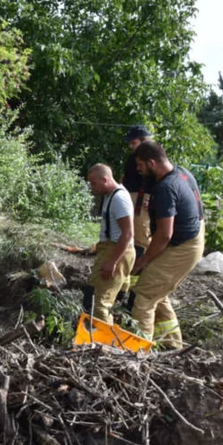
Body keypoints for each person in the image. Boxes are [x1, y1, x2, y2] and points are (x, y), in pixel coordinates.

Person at [130, 141, 205, 347]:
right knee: (157, 291)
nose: (138, 169)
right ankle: (172, 344)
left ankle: (138, 350)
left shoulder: (166, 187)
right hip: (192, 238)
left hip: (183, 246)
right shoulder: (182, 173)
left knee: (144, 295)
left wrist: (144, 260)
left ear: (152, 163)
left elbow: (164, 234)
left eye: (140, 165)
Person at [85, 164, 135, 322]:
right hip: (110, 249)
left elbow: (127, 234)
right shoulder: (109, 195)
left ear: (105, 179)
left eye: (94, 183)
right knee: (91, 296)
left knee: (100, 305)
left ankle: (104, 343)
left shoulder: (119, 198)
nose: (91, 187)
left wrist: (112, 261)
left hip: (118, 252)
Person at [122, 125, 155, 254]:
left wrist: (153, 200)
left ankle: (140, 267)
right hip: (128, 197)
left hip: (144, 201)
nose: (131, 146)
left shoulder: (154, 158)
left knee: (141, 237)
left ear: (144, 141)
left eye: (133, 142)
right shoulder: (132, 158)